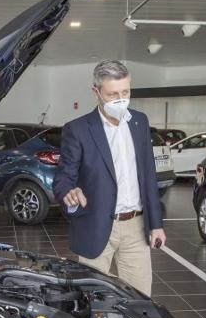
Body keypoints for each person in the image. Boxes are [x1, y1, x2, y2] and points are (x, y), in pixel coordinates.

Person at [52, 59, 165, 296]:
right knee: (92, 299)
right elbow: (64, 176)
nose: (121, 99)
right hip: (96, 224)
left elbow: (148, 175)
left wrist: (156, 224)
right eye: (113, 94)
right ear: (96, 93)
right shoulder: (78, 129)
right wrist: (69, 192)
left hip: (136, 226)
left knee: (140, 299)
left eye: (126, 91)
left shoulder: (140, 122)